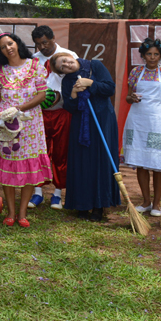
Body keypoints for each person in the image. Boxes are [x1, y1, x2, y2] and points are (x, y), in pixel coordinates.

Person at [0, 33, 53, 227]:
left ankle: (22, 213)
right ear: (0, 52)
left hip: (30, 124)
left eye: (10, 43)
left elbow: (41, 95)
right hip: (6, 126)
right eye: (3, 47)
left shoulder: (34, 66)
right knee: (8, 164)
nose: (8, 48)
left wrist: (19, 109)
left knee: (29, 168)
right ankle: (10, 212)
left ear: (17, 44)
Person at [51, 53, 121, 221]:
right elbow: (70, 107)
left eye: (66, 60)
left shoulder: (94, 66)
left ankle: (99, 206)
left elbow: (110, 88)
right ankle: (82, 204)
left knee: (100, 161)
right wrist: (74, 92)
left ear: (71, 56)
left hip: (103, 121)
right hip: (81, 125)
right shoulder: (67, 81)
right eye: (62, 66)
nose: (67, 65)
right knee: (82, 162)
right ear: (61, 72)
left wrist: (90, 83)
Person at [123, 38, 161, 218]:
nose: (153, 57)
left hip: (157, 121)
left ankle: (157, 204)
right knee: (140, 162)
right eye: (149, 54)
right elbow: (127, 97)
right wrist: (132, 98)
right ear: (143, 55)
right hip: (137, 120)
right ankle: (146, 201)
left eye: (156, 54)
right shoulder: (136, 72)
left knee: (157, 164)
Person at [31, 25, 79, 209]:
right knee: (39, 151)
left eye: (44, 42)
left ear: (53, 38)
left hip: (62, 112)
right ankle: (37, 192)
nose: (42, 47)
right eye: (38, 44)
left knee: (61, 152)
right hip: (39, 113)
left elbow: (75, 81)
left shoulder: (68, 55)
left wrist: (59, 95)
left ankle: (58, 193)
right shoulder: (33, 60)